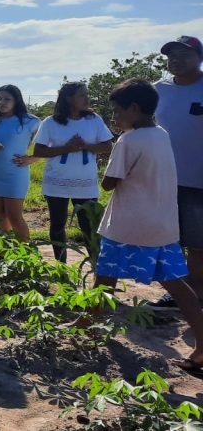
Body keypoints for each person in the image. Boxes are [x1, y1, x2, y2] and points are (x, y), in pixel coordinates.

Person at [91, 79, 203, 374]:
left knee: (104, 276)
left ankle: (89, 323)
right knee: (178, 285)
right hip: (162, 224)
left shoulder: (128, 140)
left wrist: (102, 159)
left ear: (135, 109)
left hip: (130, 225)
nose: (114, 118)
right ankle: (202, 345)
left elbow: (108, 183)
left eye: (116, 111)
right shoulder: (161, 134)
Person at [149, 35, 203, 311]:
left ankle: (197, 295)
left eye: (185, 54)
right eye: (172, 55)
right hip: (162, 180)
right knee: (170, 241)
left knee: (198, 243)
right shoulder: (157, 90)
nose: (177, 60)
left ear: (200, 58)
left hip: (199, 181)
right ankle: (180, 295)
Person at [33, 82, 113, 263]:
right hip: (57, 184)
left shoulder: (94, 120)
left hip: (86, 185)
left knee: (89, 227)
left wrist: (86, 146)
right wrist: (67, 148)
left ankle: (95, 269)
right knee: (57, 226)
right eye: (82, 95)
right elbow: (39, 151)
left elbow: (108, 146)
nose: (87, 99)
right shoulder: (51, 122)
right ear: (68, 99)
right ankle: (61, 268)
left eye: (87, 94)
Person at [0, 85, 41, 242]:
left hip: (16, 172)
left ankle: (25, 253)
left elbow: (48, 144)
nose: (2, 102)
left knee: (14, 215)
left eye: (7, 99)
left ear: (16, 100)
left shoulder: (30, 121)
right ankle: (4, 253)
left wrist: (32, 158)